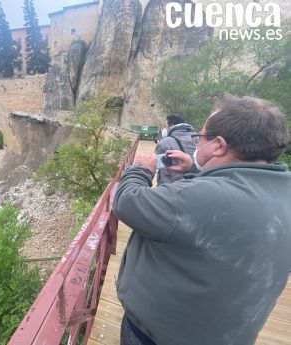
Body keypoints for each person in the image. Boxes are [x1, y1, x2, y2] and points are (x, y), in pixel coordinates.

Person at [113, 95, 291, 345]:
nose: (197, 144)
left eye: (202, 137)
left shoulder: (188, 199)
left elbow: (127, 202)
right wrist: (197, 171)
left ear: (218, 145)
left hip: (157, 336)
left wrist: (141, 169)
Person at [155, 114, 196, 185]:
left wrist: (160, 144)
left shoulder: (166, 142)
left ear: (171, 126)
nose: (165, 129)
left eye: (166, 126)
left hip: (169, 186)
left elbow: (157, 163)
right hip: (192, 183)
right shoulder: (197, 138)